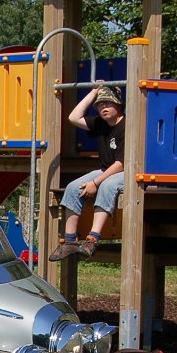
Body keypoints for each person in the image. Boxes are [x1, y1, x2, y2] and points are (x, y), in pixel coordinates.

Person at [49, 84, 126, 262]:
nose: (103, 108)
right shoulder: (100, 124)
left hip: (126, 171)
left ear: (119, 105)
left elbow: (121, 164)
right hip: (106, 170)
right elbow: (73, 117)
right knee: (72, 187)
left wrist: (96, 182)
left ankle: (93, 239)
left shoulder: (126, 126)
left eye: (108, 103)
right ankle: (70, 241)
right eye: (99, 105)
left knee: (108, 186)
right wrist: (92, 92)